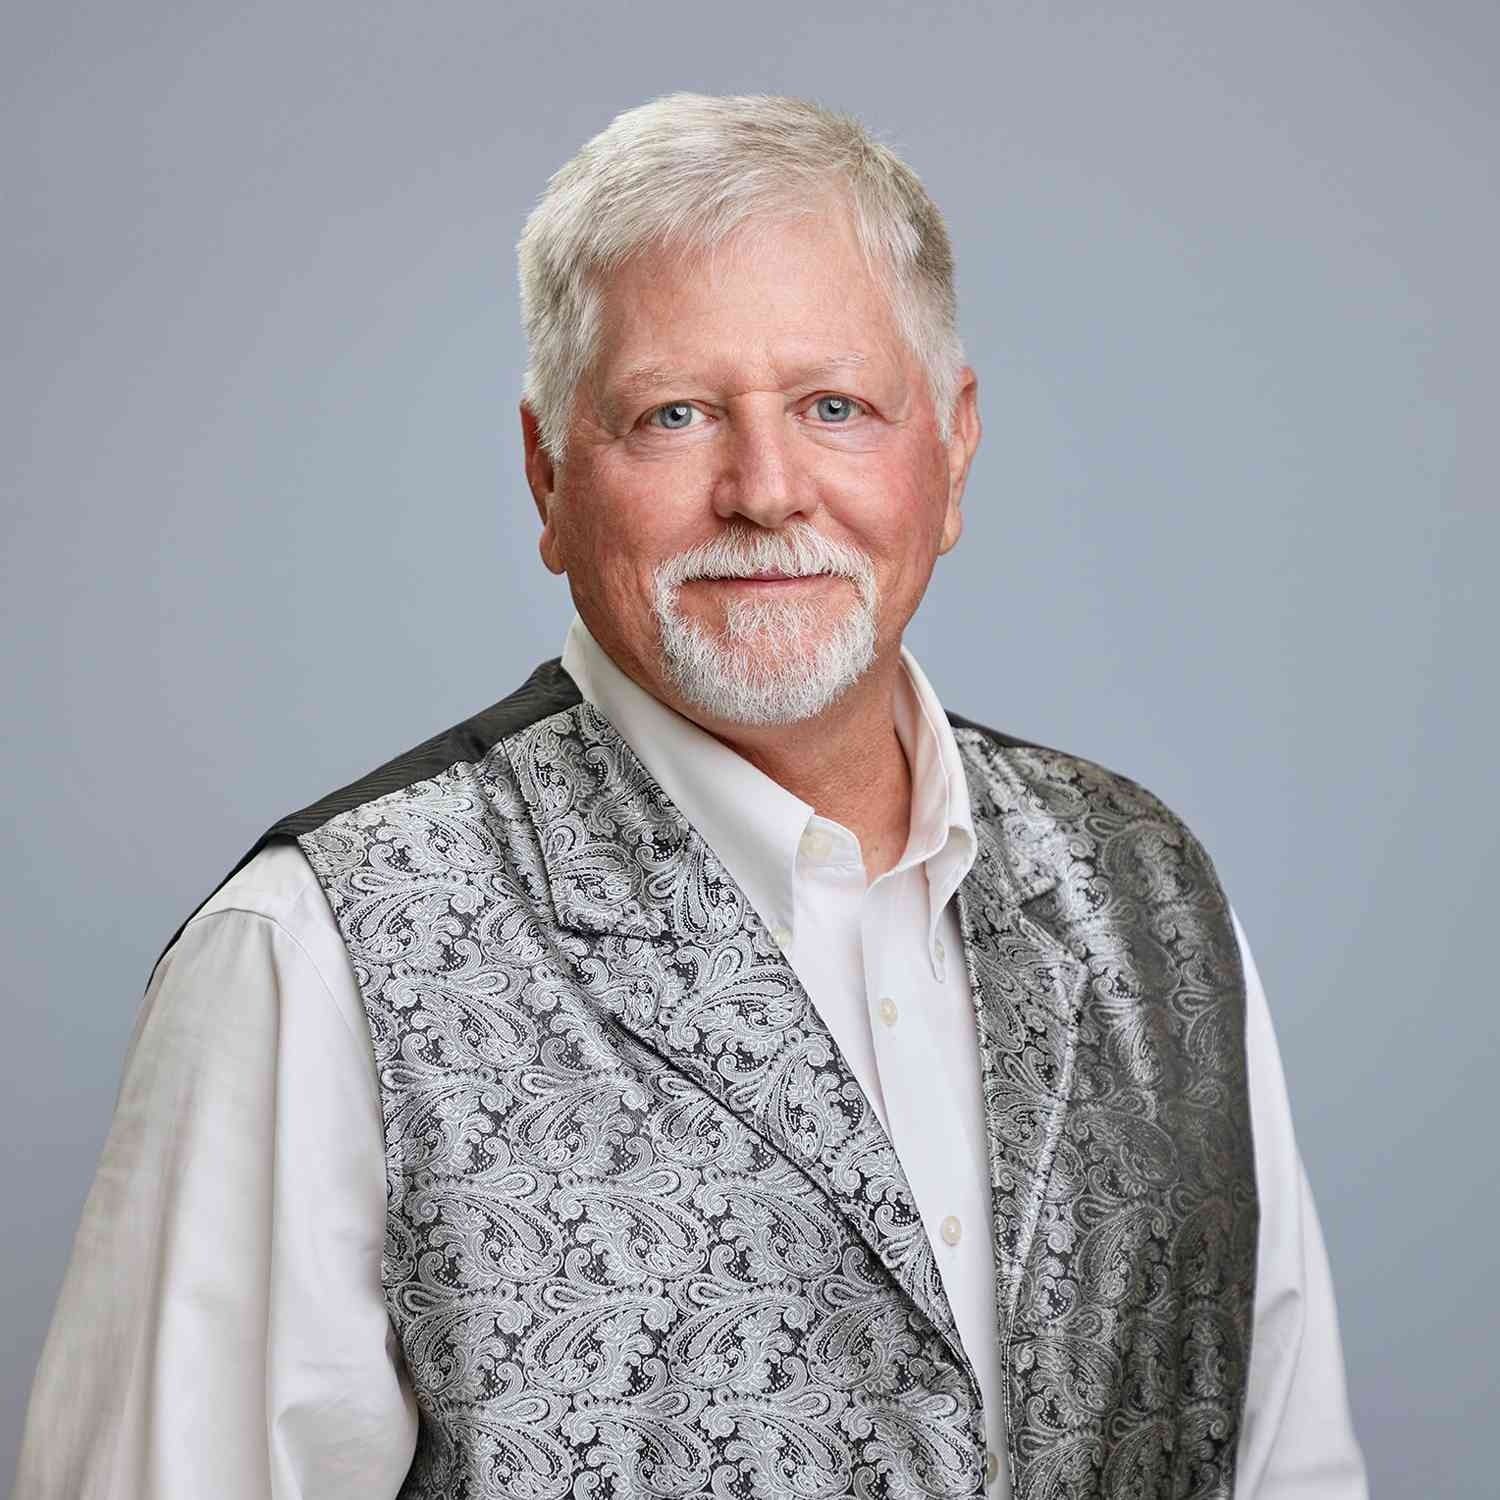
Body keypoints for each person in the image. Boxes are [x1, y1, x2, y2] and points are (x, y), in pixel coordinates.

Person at [12, 93, 1367, 1500]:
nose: (768, 490)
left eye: (836, 406)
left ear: (952, 449)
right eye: (674, 415)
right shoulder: (316, 954)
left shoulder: (1141, 889)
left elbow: (1287, 1468)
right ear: (546, 471)